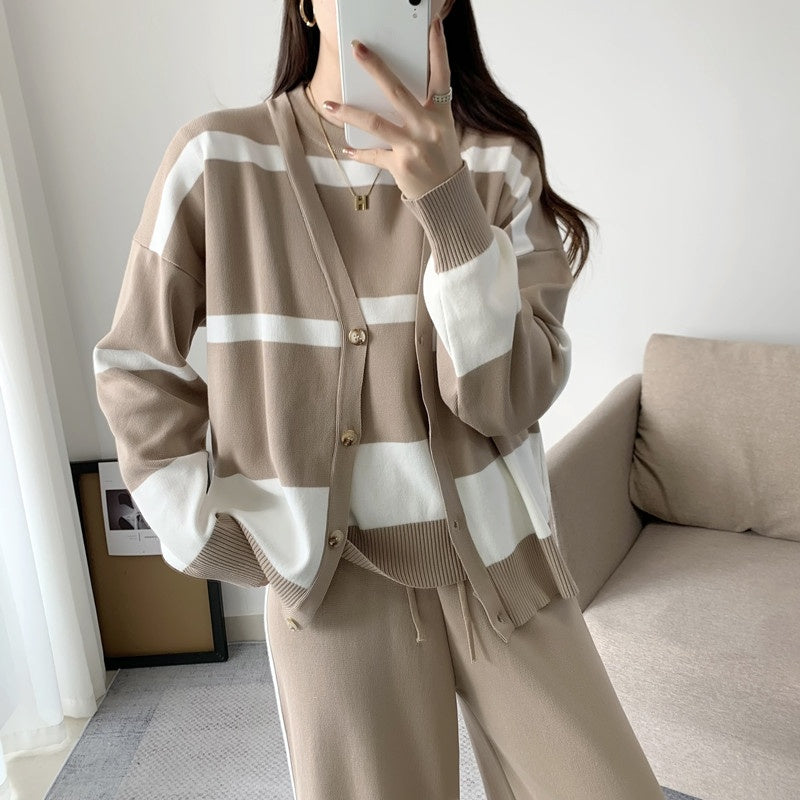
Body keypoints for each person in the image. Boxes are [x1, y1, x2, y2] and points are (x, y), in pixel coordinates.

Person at [94, 0, 665, 797]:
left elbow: (510, 401)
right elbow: (135, 365)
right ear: (306, 4)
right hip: (331, 589)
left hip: (500, 563)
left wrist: (449, 206)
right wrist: (203, 528)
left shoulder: (496, 163)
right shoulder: (217, 159)